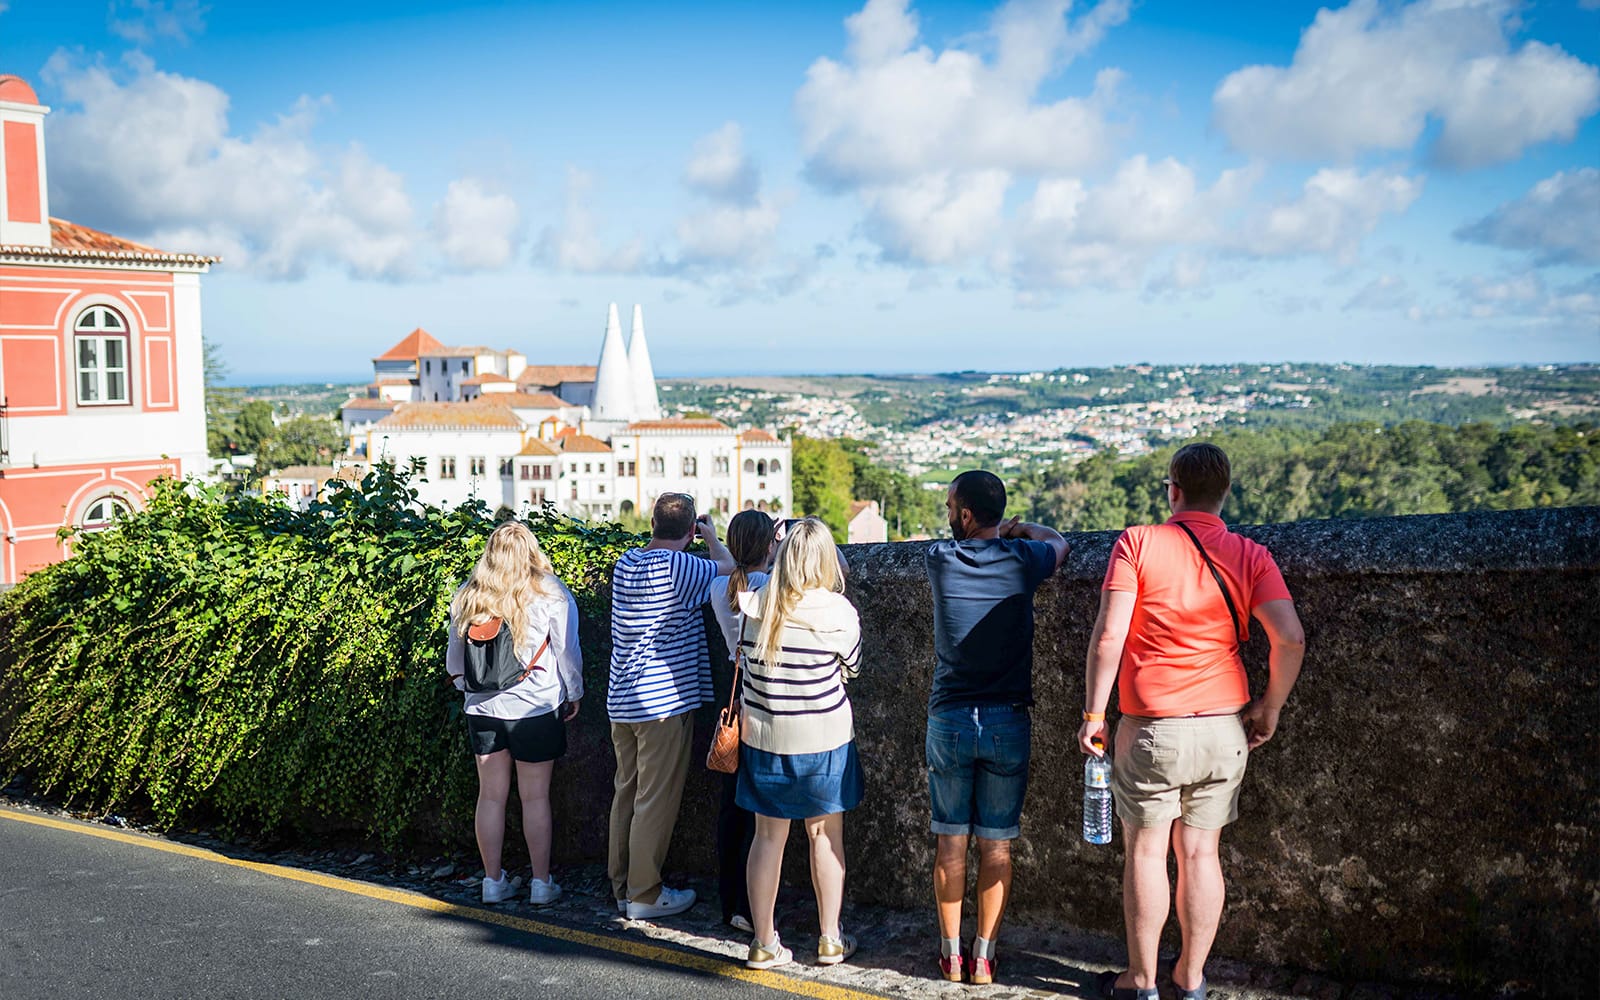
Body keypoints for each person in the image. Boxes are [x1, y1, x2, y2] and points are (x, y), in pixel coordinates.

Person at [1079, 443, 1305, 1000]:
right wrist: (1270, 706)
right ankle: (1191, 979)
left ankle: (1141, 982)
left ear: (1172, 490)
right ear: (1224, 493)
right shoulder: (1251, 554)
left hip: (1152, 729)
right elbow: (1290, 638)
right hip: (1224, 730)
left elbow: (1109, 637)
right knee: (1202, 853)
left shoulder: (1137, 543)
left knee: (1147, 852)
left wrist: (1094, 714)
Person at [924, 470, 1069, 985]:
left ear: (965, 515)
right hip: (1007, 718)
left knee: (950, 843)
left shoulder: (940, 559)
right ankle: (984, 957)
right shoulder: (1023, 559)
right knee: (998, 845)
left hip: (951, 718)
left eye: (950, 507)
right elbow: (1060, 543)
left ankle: (950, 955)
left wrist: (996, 532)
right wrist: (1017, 530)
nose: (948, 515)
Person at [736, 518, 863, 970]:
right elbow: (852, 667)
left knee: (767, 838)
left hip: (765, 736)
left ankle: (763, 942)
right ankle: (830, 938)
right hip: (824, 738)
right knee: (824, 836)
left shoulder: (755, 606)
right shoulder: (838, 613)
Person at [608, 492, 735, 920]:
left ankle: (621, 886)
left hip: (621, 698)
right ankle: (645, 893)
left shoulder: (625, 563)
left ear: (652, 525)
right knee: (655, 800)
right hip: (661, 701)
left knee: (626, 793)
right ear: (690, 530)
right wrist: (712, 538)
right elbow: (732, 569)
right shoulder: (680, 566)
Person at [445, 521, 583, 906]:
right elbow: (567, 652)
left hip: (482, 709)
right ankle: (541, 883)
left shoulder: (468, 595)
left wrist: (470, 690)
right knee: (535, 798)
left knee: (490, 797)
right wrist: (574, 693)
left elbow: (455, 663)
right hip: (535, 707)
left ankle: (492, 882)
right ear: (531, 552)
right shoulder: (551, 593)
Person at [704, 509, 783, 935]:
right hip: (765, 696)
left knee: (730, 804)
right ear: (769, 545)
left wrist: (711, 538)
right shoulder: (773, 588)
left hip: (732, 696)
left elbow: (727, 564)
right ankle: (756, 908)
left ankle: (730, 901)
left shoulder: (720, 588)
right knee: (761, 807)